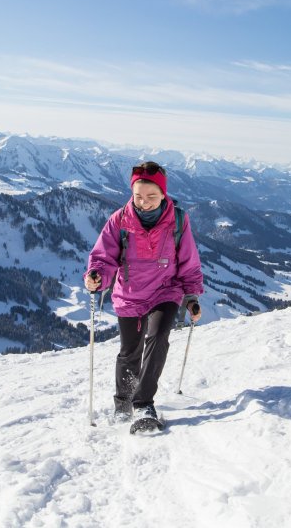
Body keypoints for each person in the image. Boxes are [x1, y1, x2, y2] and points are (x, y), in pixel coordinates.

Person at [85, 161, 204, 423]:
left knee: (158, 337)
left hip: (165, 291)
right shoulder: (119, 221)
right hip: (129, 295)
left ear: (163, 193)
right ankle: (123, 403)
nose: (144, 202)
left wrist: (191, 296)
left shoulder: (178, 221)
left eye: (151, 196)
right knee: (130, 352)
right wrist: (96, 277)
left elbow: (189, 261)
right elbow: (103, 258)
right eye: (138, 196)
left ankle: (143, 403)